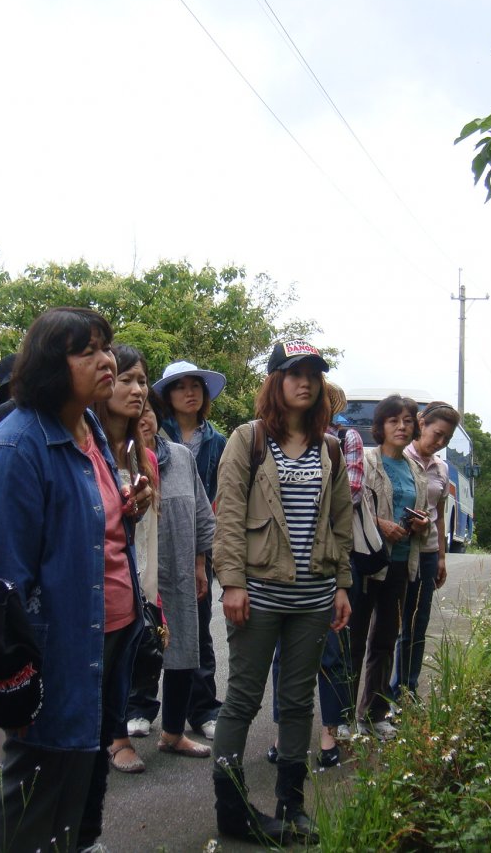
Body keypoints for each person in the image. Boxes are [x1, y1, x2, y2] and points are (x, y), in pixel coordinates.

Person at [0, 308, 150, 853]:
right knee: (37, 789)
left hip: (112, 632)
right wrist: (23, 673)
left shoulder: (89, 427)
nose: (106, 361)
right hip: (60, 650)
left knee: (78, 782)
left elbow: (91, 525)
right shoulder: (16, 448)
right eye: (88, 350)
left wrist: (129, 509)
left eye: (106, 348)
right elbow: (4, 583)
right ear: (51, 364)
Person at [210, 340, 352, 846]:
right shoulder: (247, 440)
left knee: (296, 703)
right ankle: (231, 808)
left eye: (313, 373)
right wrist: (231, 582)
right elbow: (226, 519)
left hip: (314, 597)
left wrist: (341, 585)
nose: (305, 381)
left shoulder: (330, 447)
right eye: (294, 372)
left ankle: (293, 806)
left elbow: (340, 522)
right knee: (242, 702)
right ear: (275, 380)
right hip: (259, 594)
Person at [112, 374, 215, 769]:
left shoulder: (182, 458)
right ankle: (118, 737)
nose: (145, 417)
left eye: (150, 410)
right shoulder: (116, 460)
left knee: (185, 648)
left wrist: (201, 563)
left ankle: (173, 732)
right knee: (129, 655)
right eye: (137, 411)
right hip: (134, 575)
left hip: (180, 570)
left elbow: (202, 513)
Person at [265, 382, 362, 768]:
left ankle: (329, 732)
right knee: (282, 656)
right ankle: (283, 733)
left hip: (325, 562)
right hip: (278, 567)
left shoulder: (340, 441)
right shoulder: (268, 438)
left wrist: (342, 581)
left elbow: (346, 503)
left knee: (332, 653)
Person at [154, 359, 228, 740]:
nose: (190, 391)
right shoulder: (153, 432)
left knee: (198, 629)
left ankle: (202, 710)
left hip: (199, 541)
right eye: (180, 385)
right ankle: (140, 706)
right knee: (148, 628)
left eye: (196, 384)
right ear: (166, 395)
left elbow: (221, 492)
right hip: (155, 540)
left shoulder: (218, 441)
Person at [349, 394, 429, 740]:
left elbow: (424, 511)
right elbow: (351, 506)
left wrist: (420, 524)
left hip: (399, 565)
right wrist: (381, 524)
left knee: (385, 640)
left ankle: (375, 713)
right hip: (367, 564)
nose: (401, 426)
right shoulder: (366, 461)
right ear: (379, 426)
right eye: (394, 420)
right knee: (353, 640)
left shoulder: (415, 470)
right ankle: (340, 717)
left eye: (408, 421)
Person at [391, 401, 460, 702]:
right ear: (421, 424)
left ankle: (407, 688)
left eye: (446, 438)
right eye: (437, 433)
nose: (440, 442)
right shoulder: (399, 457)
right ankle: (379, 695)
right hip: (399, 551)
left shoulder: (442, 468)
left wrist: (442, 557)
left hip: (428, 553)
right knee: (388, 624)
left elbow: (440, 514)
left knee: (417, 623)